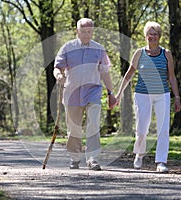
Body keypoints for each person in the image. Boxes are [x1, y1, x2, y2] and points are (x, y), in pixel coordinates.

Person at [115, 21, 181, 172]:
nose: (153, 37)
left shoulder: (166, 54)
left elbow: (172, 77)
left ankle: (161, 161)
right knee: (142, 128)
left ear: (159, 36)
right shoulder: (139, 53)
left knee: (163, 128)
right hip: (142, 94)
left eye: (155, 34)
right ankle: (139, 153)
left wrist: (176, 97)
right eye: (150, 34)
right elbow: (129, 74)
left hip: (162, 94)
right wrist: (119, 93)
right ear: (145, 36)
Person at [53, 18, 117, 170]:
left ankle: (92, 158)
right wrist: (59, 76)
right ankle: (75, 157)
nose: (87, 35)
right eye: (84, 32)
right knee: (74, 128)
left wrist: (110, 93)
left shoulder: (99, 49)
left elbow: (105, 73)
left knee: (93, 124)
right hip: (72, 93)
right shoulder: (67, 48)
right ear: (77, 31)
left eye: (89, 32)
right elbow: (57, 67)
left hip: (93, 92)